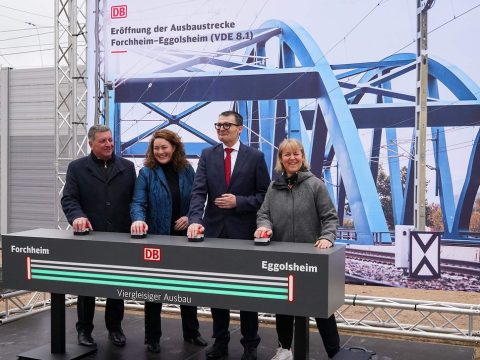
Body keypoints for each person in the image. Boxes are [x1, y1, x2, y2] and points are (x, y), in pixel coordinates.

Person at [187, 110, 270, 360]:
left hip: (244, 234)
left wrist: (239, 201)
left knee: (247, 293)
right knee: (217, 291)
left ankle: (250, 345)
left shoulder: (255, 157)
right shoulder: (207, 155)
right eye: (218, 125)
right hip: (213, 233)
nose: (221, 129)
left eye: (227, 125)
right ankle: (220, 341)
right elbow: (198, 192)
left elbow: (265, 196)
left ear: (240, 128)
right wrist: (194, 221)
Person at [255, 138, 340, 360]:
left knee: (322, 309)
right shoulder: (274, 187)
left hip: (311, 260)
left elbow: (330, 217)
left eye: (296, 154)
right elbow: (264, 214)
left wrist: (327, 237)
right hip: (282, 259)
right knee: (283, 307)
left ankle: (335, 353)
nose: (292, 158)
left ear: (302, 158)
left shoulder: (315, 185)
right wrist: (265, 227)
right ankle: (284, 349)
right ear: (281, 160)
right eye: (287, 154)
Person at [130, 129, 208, 353]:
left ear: (174, 148)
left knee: (187, 287)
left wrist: (189, 217)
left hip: (184, 238)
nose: (160, 152)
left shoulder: (187, 170)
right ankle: (152, 338)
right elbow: (137, 203)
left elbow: (196, 199)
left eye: (164, 147)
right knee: (153, 290)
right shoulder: (146, 173)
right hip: (157, 237)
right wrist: (138, 220)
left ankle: (192, 333)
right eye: (156, 148)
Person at [61, 125, 136, 348]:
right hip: (89, 238)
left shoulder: (128, 167)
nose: (109, 144)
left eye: (110, 140)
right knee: (87, 288)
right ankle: (84, 330)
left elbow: (136, 199)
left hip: (120, 236)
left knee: (117, 286)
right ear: (91, 144)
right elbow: (69, 200)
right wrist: (77, 217)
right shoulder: (76, 168)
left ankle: (115, 328)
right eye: (103, 141)